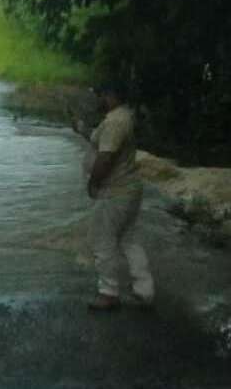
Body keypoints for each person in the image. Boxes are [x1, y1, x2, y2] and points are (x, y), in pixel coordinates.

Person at [71, 83, 155, 310]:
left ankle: (108, 293)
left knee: (102, 241)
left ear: (111, 95)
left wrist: (93, 182)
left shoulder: (115, 122)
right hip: (128, 189)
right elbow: (101, 142)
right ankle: (144, 290)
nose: (98, 99)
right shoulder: (121, 117)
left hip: (114, 191)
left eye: (101, 95)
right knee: (129, 240)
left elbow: (106, 157)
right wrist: (82, 129)